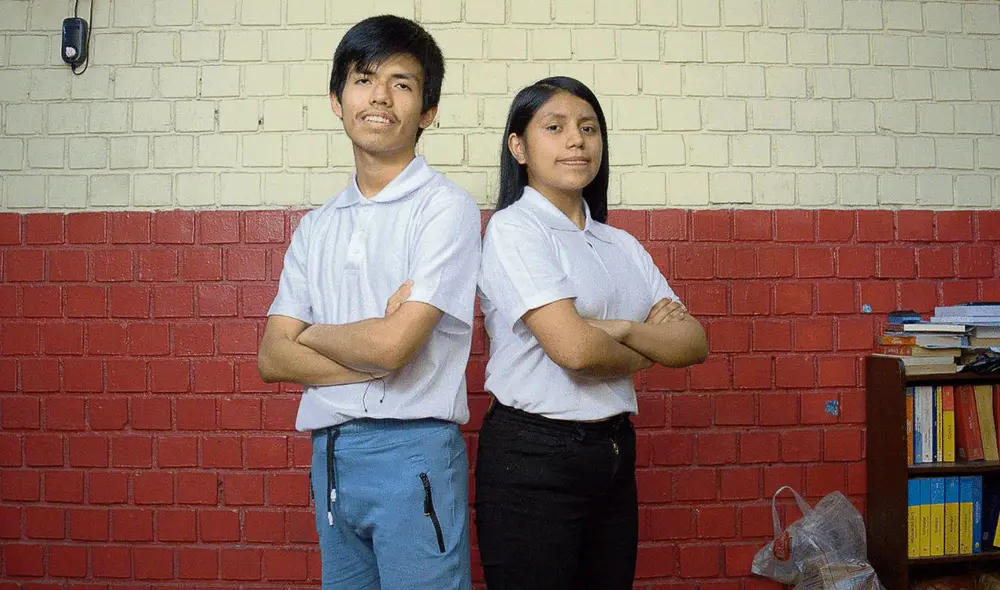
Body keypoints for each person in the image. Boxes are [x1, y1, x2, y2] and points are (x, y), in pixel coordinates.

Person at [257, 15, 479, 590]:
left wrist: (308, 333)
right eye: (363, 79)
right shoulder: (316, 226)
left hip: (413, 453)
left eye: (402, 84)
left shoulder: (445, 209)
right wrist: (374, 344)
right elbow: (270, 359)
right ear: (337, 99)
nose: (379, 96)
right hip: (329, 455)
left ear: (428, 110)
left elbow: (394, 347)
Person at [474, 76, 709, 590]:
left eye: (588, 128)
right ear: (519, 146)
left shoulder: (620, 243)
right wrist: (648, 342)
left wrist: (621, 328)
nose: (576, 140)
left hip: (613, 452)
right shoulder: (515, 230)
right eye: (554, 128)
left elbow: (693, 343)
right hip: (533, 457)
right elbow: (575, 351)